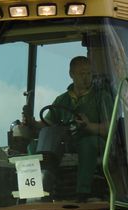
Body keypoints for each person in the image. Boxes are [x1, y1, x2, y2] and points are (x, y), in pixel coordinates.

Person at [23, 55, 113, 200]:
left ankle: (83, 193)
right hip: (67, 142)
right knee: (33, 146)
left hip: (95, 142)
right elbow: (47, 125)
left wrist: (88, 125)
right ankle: (34, 192)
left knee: (87, 144)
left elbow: (109, 128)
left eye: (89, 73)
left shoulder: (102, 97)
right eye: (81, 74)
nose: (86, 77)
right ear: (71, 74)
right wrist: (32, 122)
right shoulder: (62, 99)